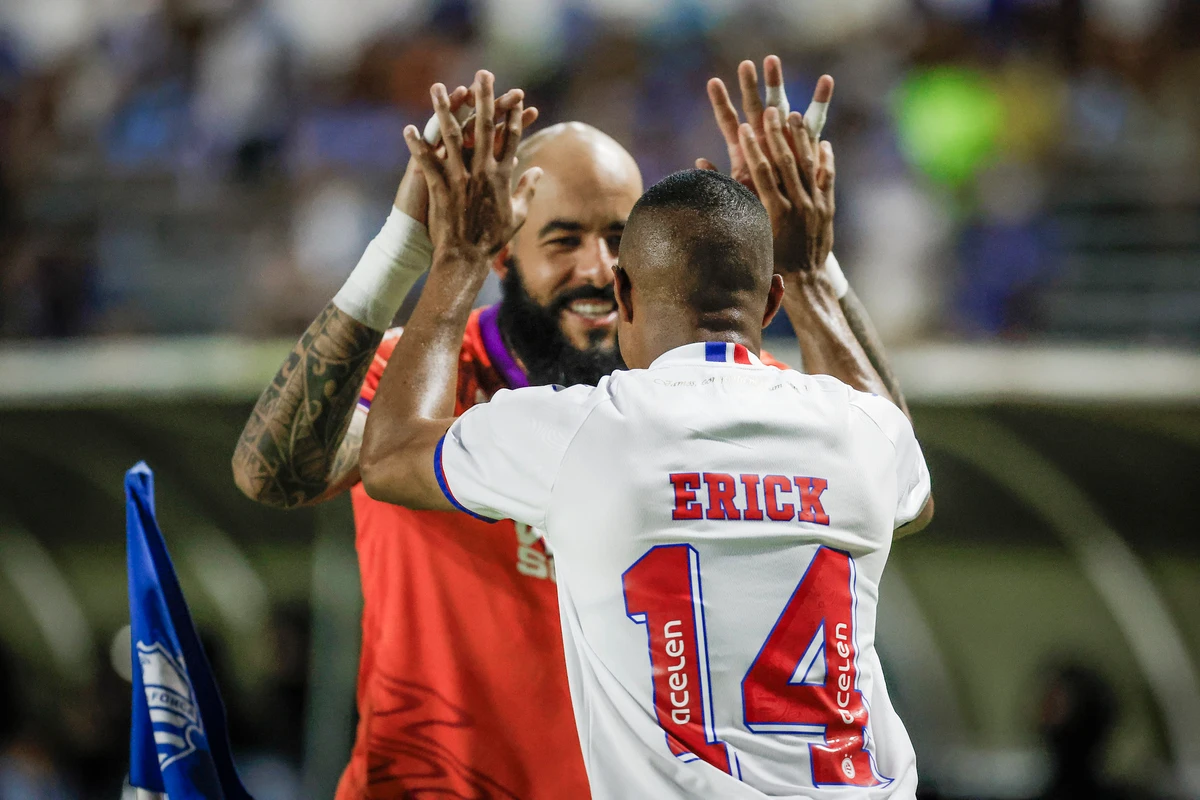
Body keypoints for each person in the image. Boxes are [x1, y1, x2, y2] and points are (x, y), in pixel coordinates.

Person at [232, 59, 910, 798]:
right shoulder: (416, 377)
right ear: (502, 247)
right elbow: (275, 472)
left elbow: (892, 471)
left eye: (619, 238)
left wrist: (812, 264)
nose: (596, 266)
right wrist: (405, 245)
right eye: (562, 240)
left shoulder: (707, 402)